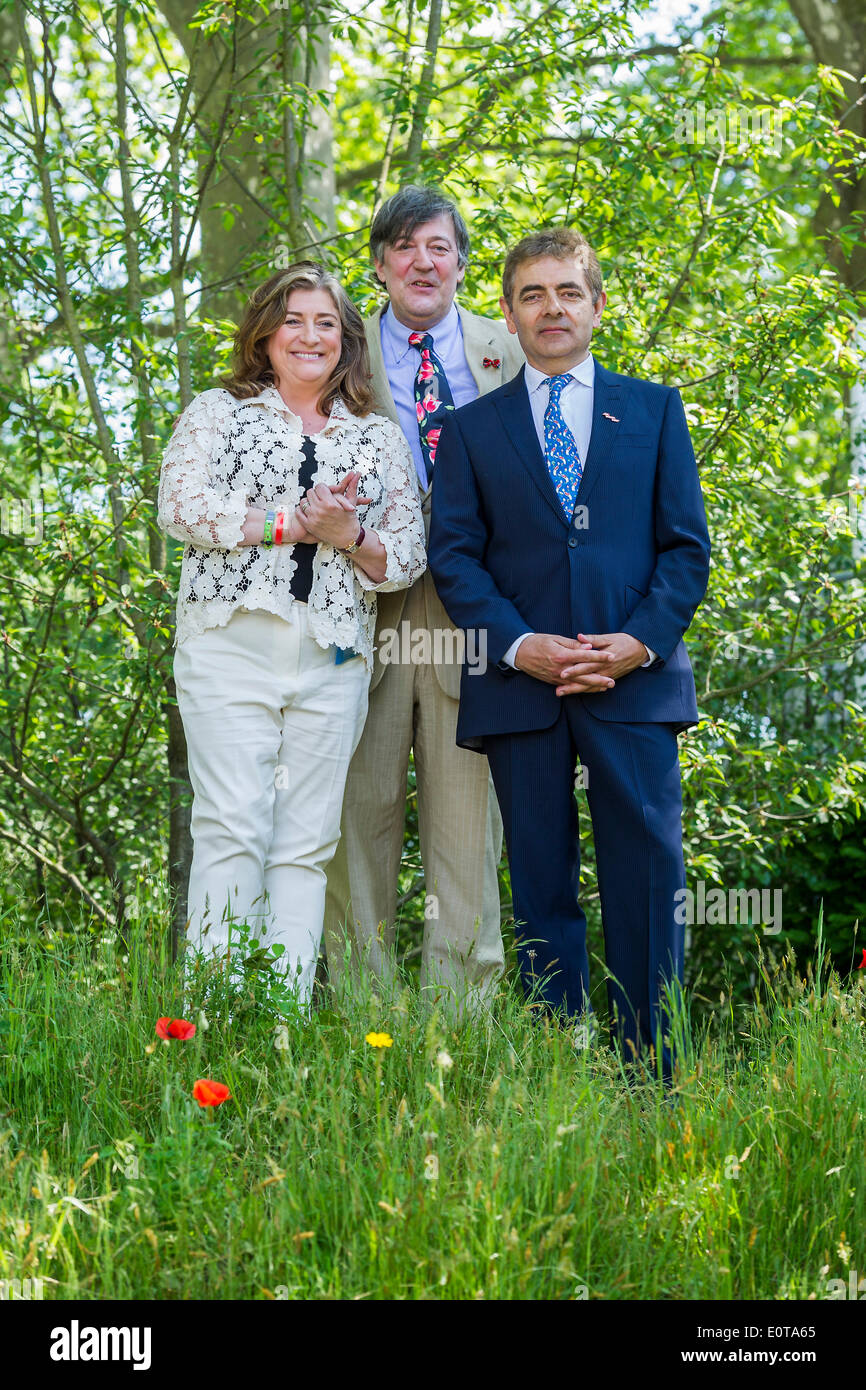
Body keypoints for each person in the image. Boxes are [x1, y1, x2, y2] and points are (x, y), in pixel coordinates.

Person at [427, 228, 711, 1081]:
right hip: (521, 690)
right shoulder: (469, 431)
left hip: (634, 685)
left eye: (568, 292)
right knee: (540, 886)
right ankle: (559, 1080)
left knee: (648, 879)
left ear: (596, 305)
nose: (552, 308)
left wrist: (635, 644)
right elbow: (455, 557)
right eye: (532, 295)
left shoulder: (654, 410)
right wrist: (521, 646)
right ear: (508, 316)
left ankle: (649, 1078)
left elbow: (685, 550)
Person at [157, 262, 426, 1007]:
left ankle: (279, 1022)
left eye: (327, 324)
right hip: (228, 646)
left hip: (333, 658)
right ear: (267, 334)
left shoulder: (378, 438)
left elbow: (405, 556)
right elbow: (180, 506)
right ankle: (209, 1018)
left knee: (306, 845)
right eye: (295, 320)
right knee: (233, 825)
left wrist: (350, 532)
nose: (311, 336)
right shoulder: (218, 411)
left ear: (348, 343)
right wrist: (288, 524)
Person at [323, 186, 524, 1016]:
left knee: (466, 831)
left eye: (438, 247)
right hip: (356, 611)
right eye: (403, 247)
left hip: (472, 618)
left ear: (462, 263)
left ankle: (463, 1029)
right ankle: (364, 1016)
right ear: (379, 264)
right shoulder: (337, 348)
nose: (422, 262)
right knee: (352, 822)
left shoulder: (506, 352)